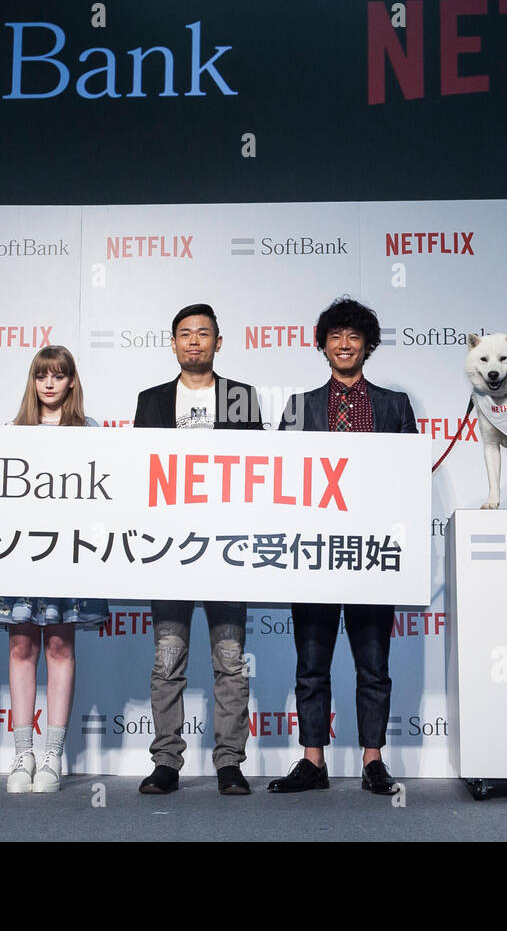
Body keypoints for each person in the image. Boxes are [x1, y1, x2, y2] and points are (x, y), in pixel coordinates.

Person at [270, 297, 416, 796]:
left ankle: (373, 761)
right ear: (323, 344)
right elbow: (283, 484)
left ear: (368, 344)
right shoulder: (300, 408)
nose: (345, 344)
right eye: (336, 335)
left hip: (373, 555)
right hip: (313, 554)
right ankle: (313, 761)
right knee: (311, 663)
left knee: (373, 664)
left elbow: (410, 484)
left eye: (354, 336)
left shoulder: (395, 406)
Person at [132, 304, 262, 796]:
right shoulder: (151, 400)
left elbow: (258, 473)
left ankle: (229, 763)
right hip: (169, 550)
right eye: (184, 334)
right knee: (168, 659)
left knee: (230, 660)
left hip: (227, 548)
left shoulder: (240, 398)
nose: (193, 342)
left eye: (203, 334)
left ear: (218, 341)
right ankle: (167, 762)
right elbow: (138, 473)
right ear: (173, 343)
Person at [0, 346, 107, 793]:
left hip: (69, 553)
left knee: (61, 648)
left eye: (59, 375)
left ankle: (53, 754)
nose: (49, 384)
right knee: (19, 650)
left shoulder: (90, 431)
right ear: (32, 382)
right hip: (20, 554)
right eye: (41, 376)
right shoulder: (12, 432)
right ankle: (22, 755)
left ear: (71, 382)